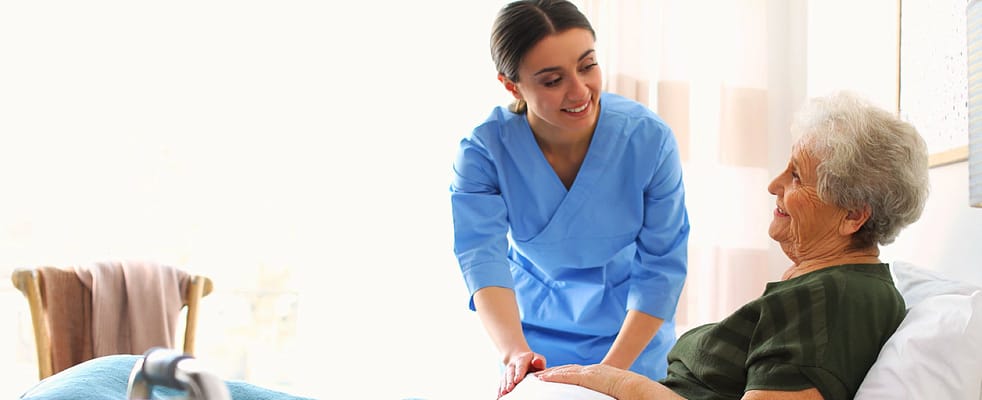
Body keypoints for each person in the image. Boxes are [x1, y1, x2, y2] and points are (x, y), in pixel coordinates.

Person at [532, 91, 930, 400]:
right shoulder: (829, 285)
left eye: (796, 177)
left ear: (853, 216)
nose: (773, 185)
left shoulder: (836, 297)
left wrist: (615, 382)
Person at [449, 0, 689, 398]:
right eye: (551, 79)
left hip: (631, 335)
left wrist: (608, 376)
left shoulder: (648, 139)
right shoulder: (483, 152)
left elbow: (662, 267)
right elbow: (481, 257)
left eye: (587, 65)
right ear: (512, 85)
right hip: (531, 340)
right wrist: (514, 351)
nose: (580, 90)